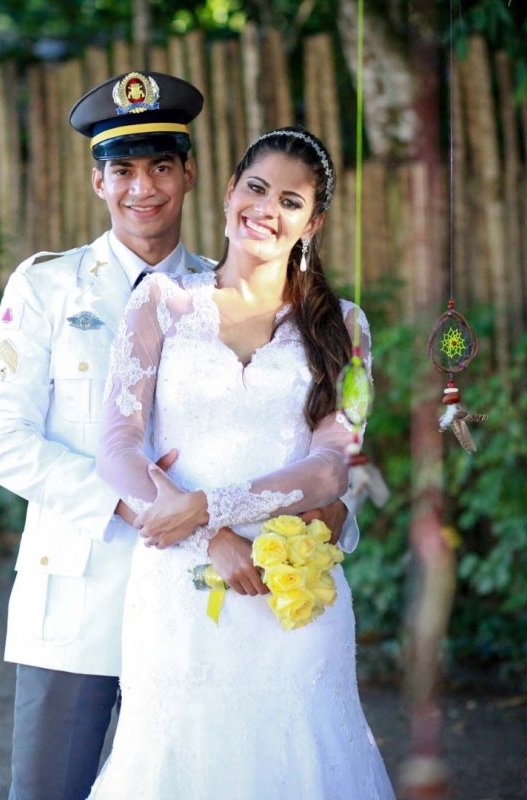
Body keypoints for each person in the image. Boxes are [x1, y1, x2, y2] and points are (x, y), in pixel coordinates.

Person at [0, 71, 356, 800]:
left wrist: (327, 524)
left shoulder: (243, 292)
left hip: (213, 607)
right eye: (123, 170)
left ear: (191, 177)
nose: (141, 188)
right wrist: (166, 516)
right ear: (98, 182)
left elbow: (293, 442)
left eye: (160, 167)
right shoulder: (48, 288)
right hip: (81, 593)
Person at [89, 127, 395, 798]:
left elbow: (329, 468)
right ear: (229, 193)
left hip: (296, 595)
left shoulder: (345, 325)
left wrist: (208, 505)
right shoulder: (161, 302)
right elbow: (115, 448)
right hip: (178, 588)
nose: (266, 208)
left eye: (291, 200)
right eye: (255, 188)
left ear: (312, 222)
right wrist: (209, 535)